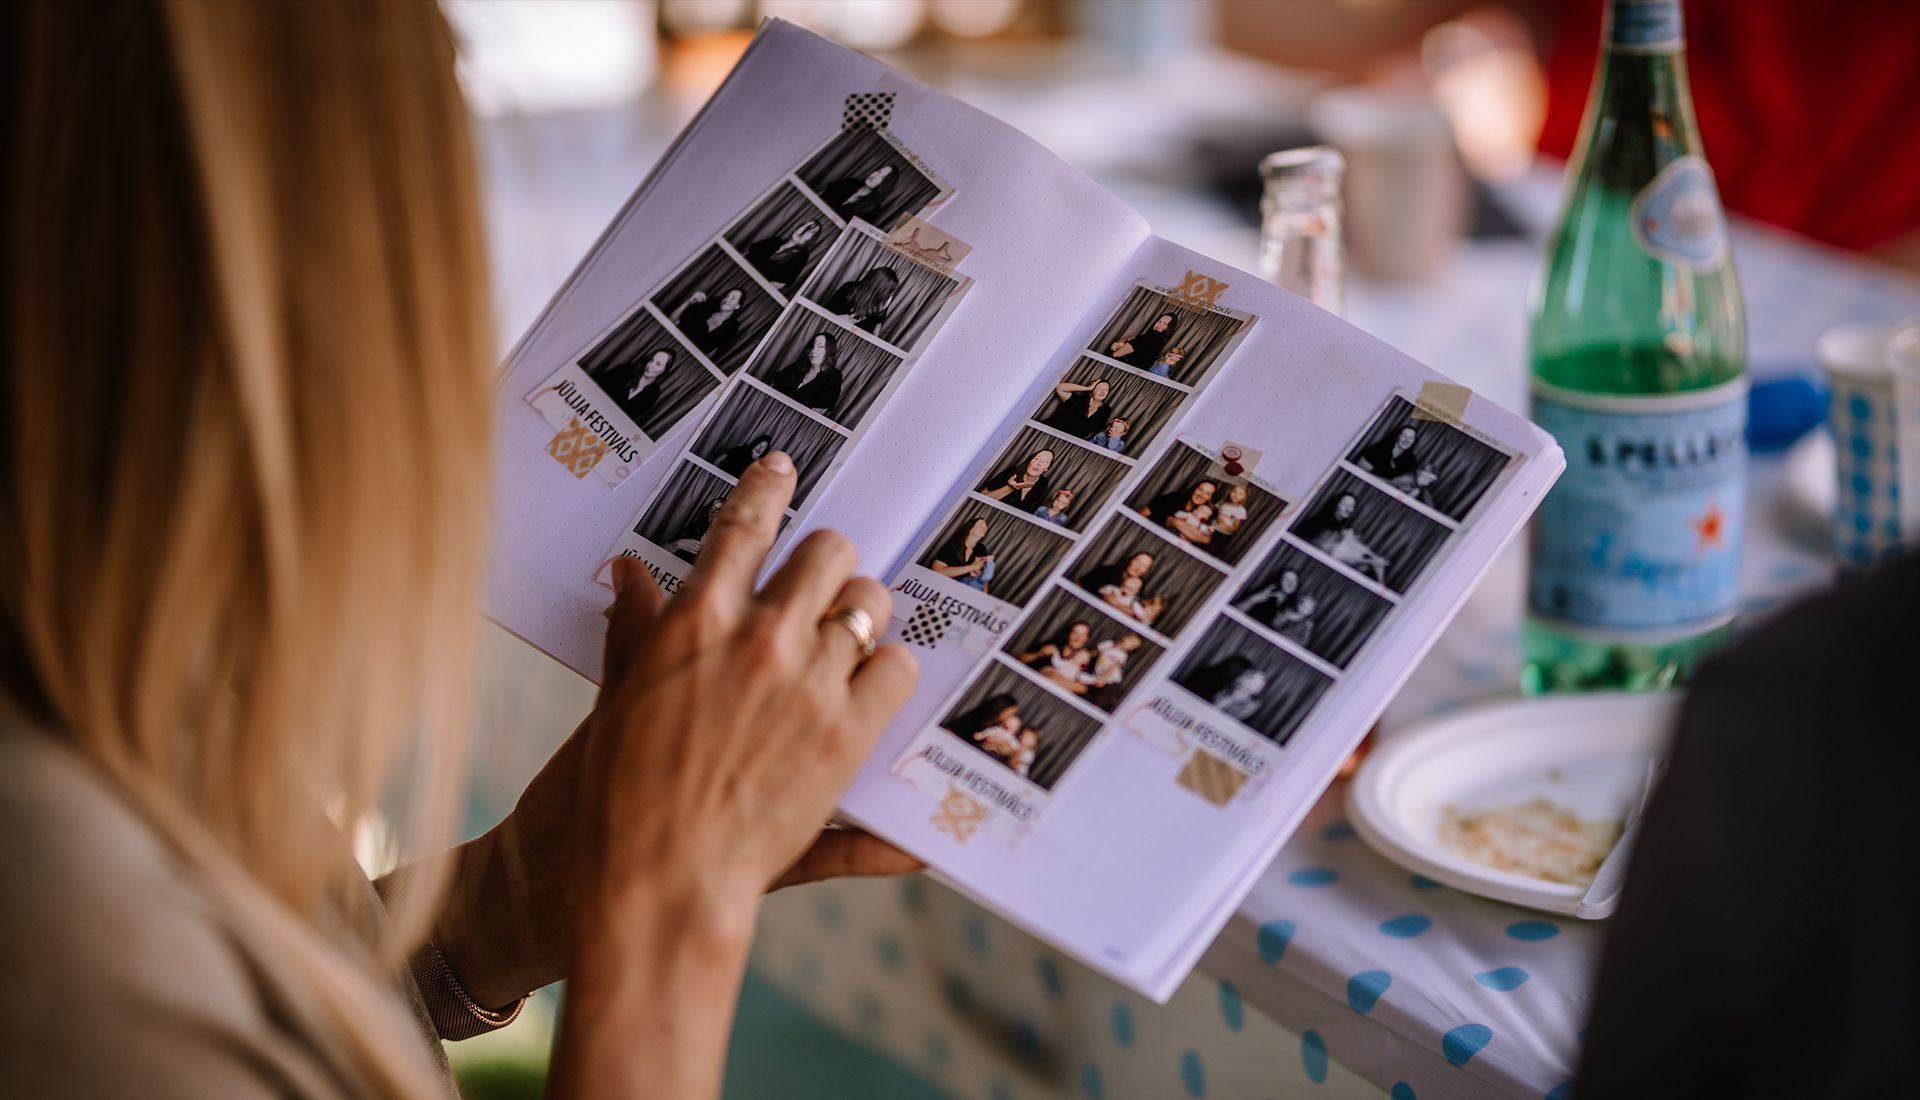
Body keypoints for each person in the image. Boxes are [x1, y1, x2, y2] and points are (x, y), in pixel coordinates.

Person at [0, 6, 921, 1100]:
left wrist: (508, 907)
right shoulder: (60, 921)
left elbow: (254, 1006)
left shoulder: (100, 676)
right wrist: (668, 923)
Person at [1296, 491, 1390, 583]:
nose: (1348, 509)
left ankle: (1377, 571)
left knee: (1357, 550)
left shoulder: (1337, 523)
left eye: (1351, 506)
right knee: (1362, 559)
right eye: (1344, 504)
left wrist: (1374, 557)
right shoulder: (1325, 520)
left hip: (1328, 556)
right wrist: (1370, 561)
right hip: (1307, 556)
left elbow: (1351, 546)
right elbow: (1329, 550)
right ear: (1336, 504)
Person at [1237, 569, 1319, 648]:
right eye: (1286, 579)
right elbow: (1236, 610)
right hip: (1244, 633)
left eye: (1294, 581)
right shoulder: (1266, 593)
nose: (1290, 583)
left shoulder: (1295, 606)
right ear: (1279, 580)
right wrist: (1252, 600)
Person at [768, 331, 843, 416]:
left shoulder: (834, 376)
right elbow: (774, 384)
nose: (813, 351)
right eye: (812, 346)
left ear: (829, 351)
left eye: (820, 347)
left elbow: (820, 410)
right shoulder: (798, 366)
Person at [741, 218, 822, 292]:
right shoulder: (775, 241)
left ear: (812, 238)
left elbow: (782, 282)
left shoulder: (802, 256)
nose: (805, 231)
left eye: (811, 231)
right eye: (806, 227)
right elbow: (748, 253)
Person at [1182, 656, 1268, 723]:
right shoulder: (1221, 685)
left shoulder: (1251, 704)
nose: (1250, 683)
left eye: (1257, 684)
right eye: (1250, 677)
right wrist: (1231, 696)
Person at [671, 285, 746, 360]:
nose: (727, 299)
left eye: (733, 298)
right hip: (673, 343)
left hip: (688, 359)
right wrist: (688, 302)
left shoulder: (732, 327)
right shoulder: (704, 308)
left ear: (737, 306)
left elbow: (712, 354)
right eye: (727, 296)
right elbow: (671, 320)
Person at [1016, 622, 1094, 691]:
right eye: (1075, 633)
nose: (1078, 638)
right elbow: (1018, 659)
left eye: (1083, 635)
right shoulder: (1052, 646)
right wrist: (1038, 654)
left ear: (1087, 639)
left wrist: (1051, 680)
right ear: (1069, 634)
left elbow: (1083, 688)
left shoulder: (1085, 657)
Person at [823, 265, 900, 334]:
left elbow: (875, 332)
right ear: (878, 288)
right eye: (889, 291)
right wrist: (859, 316)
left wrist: (881, 309)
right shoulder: (848, 289)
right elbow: (827, 317)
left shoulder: (881, 303)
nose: (890, 295)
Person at [928, 517, 994, 592]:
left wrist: (983, 594)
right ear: (970, 529)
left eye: (986, 526)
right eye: (980, 525)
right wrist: (972, 567)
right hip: (940, 587)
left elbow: (983, 577)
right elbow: (938, 570)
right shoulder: (953, 545)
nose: (985, 527)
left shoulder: (981, 549)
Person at [946, 694, 1020, 761]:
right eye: (1010, 713)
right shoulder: (976, 717)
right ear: (1000, 710)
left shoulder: (1001, 727)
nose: (1011, 717)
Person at [1140, 479, 1217, 542]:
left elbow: (1206, 539)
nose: (1201, 495)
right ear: (1194, 489)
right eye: (1200, 490)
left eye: (1207, 493)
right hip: (1148, 534)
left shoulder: (1206, 513)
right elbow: (1142, 514)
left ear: (1210, 498)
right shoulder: (1173, 498)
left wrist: (1176, 523)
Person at [1081, 634, 1144, 710]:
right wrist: (1086, 653)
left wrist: (1103, 678)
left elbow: (1112, 668)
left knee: (1104, 698)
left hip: (1111, 680)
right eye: (1131, 639)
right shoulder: (1109, 644)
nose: (1129, 643)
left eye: (1132, 645)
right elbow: (1096, 652)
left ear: (1131, 649)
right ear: (1126, 636)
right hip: (1099, 674)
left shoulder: (1122, 655)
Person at [819, 164, 897, 224]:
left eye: (882, 177)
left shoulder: (873, 210)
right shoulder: (852, 182)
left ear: (885, 185)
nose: (875, 176)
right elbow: (822, 192)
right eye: (878, 172)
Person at [979, 448, 1054, 508]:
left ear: (1047, 469)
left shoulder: (1043, 483)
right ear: (1029, 461)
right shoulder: (1010, 472)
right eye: (1037, 458)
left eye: (1046, 461)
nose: (1039, 463)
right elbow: (981, 497)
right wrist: (1010, 487)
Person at [1042, 378, 1113, 438]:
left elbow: (1097, 430)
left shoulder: (1106, 410)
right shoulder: (1077, 400)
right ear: (1091, 391)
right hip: (1049, 431)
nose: (1103, 391)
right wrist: (1088, 388)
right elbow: (1059, 387)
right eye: (1099, 388)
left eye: (1106, 389)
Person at [1109, 310, 1176, 370]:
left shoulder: (1154, 336)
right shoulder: (1156, 337)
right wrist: (1121, 342)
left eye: (1165, 324)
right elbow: (1131, 339)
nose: (1159, 325)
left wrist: (1118, 346)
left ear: (1169, 328)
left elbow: (1116, 354)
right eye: (1159, 321)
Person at [666, 497, 728, 562]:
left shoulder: (727, 541)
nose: (713, 512)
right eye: (712, 508)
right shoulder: (695, 528)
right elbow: (665, 547)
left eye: (719, 510)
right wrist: (678, 544)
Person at [1356, 424, 1421, 483]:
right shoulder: (1379, 448)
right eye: (1404, 436)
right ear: (1397, 436)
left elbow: (1406, 484)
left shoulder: (1412, 462)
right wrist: (1388, 482)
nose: (1406, 440)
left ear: (1413, 442)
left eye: (1410, 438)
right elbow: (1359, 469)